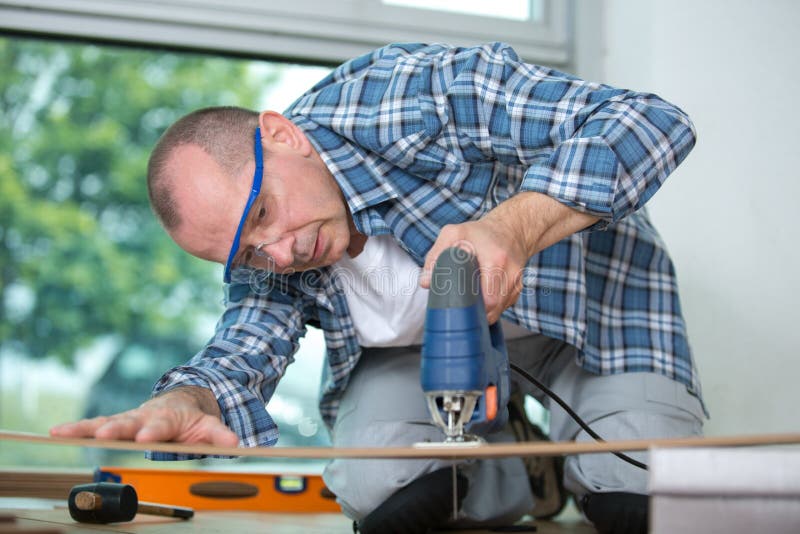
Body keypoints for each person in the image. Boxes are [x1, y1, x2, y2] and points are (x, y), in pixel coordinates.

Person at [51, 42, 705, 533]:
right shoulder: (271, 252)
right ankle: (514, 470)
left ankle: (572, 457)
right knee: (385, 492)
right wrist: (192, 400)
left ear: (284, 136)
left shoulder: (410, 95)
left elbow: (647, 120)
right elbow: (244, 345)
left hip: (589, 314)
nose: (280, 252)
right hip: (424, 354)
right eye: (250, 251)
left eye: (263, 214)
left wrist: (514, 228)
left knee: (639, 495)